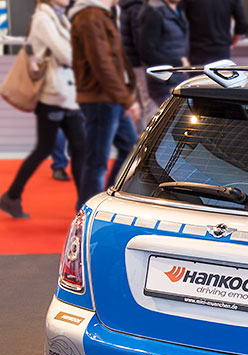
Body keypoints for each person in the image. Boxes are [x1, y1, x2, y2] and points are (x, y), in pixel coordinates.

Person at [0, 0, 85, 219]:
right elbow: (67, 54)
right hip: (53, 94)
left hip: (66, 93)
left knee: (78, 147)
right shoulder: (43, 18)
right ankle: (11, 196)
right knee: (46, 148)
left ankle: (83, 202)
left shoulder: (59, 16)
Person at [69, 0, 140, 208]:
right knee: (97, 159)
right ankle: (88, 208)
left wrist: (125, 96)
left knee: (129, 148)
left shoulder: (100, 15)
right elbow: (101, 63)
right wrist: (126, 99)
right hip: (101, 98)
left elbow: (112, 60)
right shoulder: (91, 16)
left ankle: (103, 201)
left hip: (109, 97)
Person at [139, 0, 189, 105]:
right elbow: (147, 53)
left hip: (178, 79)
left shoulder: (178, 9)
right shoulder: (154, 12)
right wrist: (178, 62)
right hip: (164, 83)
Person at [180, 0, 248, 64]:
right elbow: (242, 24)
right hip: (221, 50)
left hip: (197, 50)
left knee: (199, 77)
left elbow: (179, 19)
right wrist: (232, 44)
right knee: (220, 76)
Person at [119, 0, 151, 130]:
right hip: (140, 62)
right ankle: (149, 135)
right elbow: (140, 39)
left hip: (131, 61)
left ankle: (137, 135)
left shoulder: (127, 7)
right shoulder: (137, 8)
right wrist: (148, 59)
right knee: (147, 101)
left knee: (137, 100)